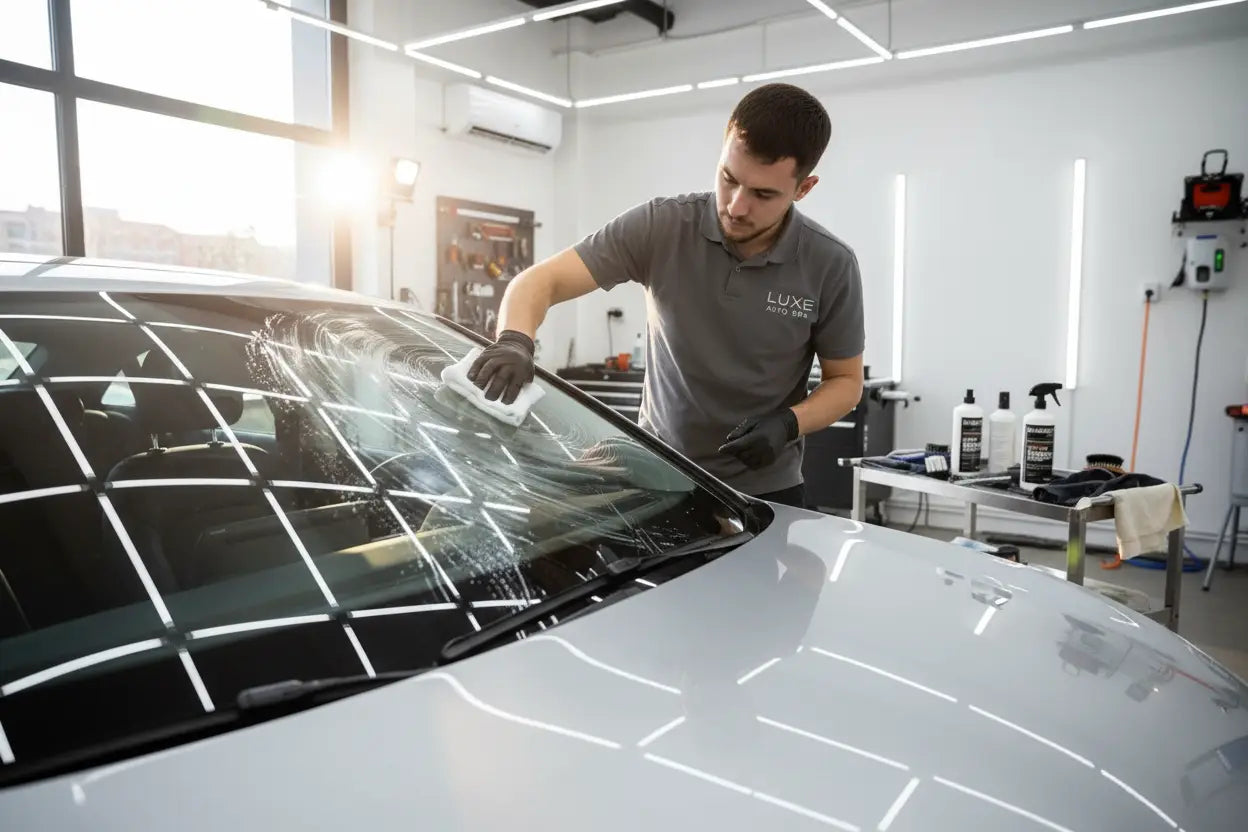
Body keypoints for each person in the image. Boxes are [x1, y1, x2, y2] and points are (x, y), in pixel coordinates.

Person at [468, 82, 865, 509]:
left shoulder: (830, 263)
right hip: (657, 471)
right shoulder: (662, 226)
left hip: (764, 491)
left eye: (763, 194)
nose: (735, 206)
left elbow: (845, 382)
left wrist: (789, 423)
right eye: (728, 179)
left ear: (803, 188)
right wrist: (514, 340)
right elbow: (537, 282)